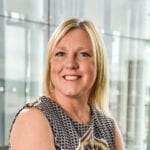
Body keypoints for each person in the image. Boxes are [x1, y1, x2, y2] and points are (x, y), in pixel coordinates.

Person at [9, 18, 124, 150]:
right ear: (50, 64)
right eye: (60, 54)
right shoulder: (34, 119)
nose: (70, 64)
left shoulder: (109, 127)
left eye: (83, 54)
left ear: (99, 64)